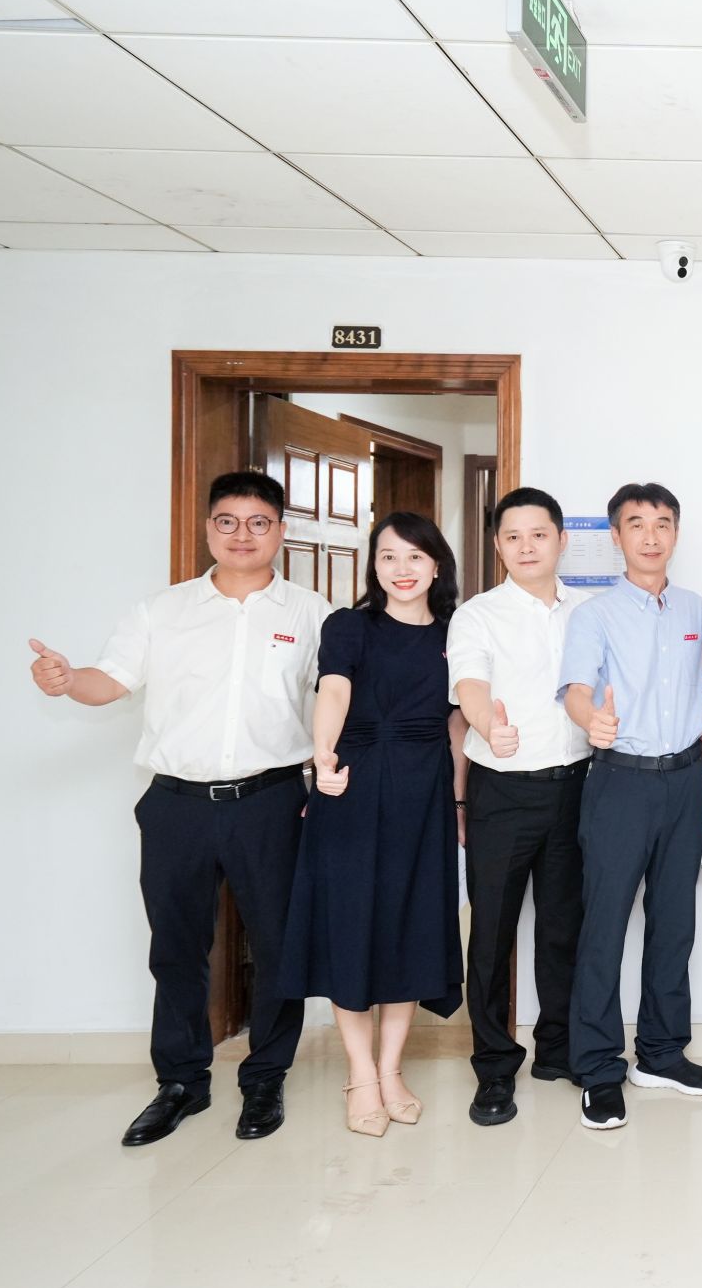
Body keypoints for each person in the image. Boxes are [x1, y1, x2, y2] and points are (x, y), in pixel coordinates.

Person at [28, 471, 329, 1147]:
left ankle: (265, 1078)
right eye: (227, 521)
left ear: (281, 531)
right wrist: (67, 680)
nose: (242, 534)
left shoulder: (311, 614)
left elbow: (336, 700)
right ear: (208, 528)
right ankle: (181, 1081)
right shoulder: (160, 611)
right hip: (176, 805)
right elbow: (109, 681)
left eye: (258, 522)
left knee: (279, 947)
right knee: (176, 948)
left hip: (272, 801)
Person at [276, 511, 465, 1137]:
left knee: (409, 925)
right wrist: (322, 757)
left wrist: (460, 803)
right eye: (388, 557)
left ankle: (391, 1070)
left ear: (436, 565)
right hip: (353, 788)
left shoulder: (456, 633)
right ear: (373, 566)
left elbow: (456, 724)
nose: (401, 569)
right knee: (351, 925)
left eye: (414, 557)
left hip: (424, 795)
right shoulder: (349, 625)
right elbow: (332, 691)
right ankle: (359, 1073)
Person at [561, 482, 702, 1131]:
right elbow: (576, 690)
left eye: (662, 523)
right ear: (617, 535)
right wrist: (592, 720)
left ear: (675, 533)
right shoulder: (594, 615)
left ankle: (661, 1053)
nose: (651, 536)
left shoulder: (698, 609)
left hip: (684, 781)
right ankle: (599, 1068)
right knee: (603, 925)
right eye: (637, 524)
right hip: (620, 783)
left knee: (674, 923)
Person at [446, 487, 592, 1126]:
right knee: (492, 933)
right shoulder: (477, 615)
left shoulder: (589, 611)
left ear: (561, 540)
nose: (527, 547)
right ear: (498, 546)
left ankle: (558, 1049)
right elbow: (469, 685)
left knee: (564, 928)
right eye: (513, 537)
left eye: (539, 535)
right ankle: (494, 1067)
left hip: (578, 787)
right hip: (502, 790)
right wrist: (489, 723)